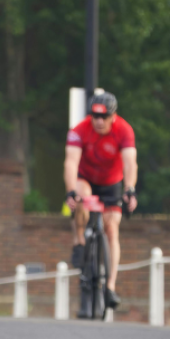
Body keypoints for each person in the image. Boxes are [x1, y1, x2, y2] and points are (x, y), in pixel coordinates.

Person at [64, 92, 138, 317]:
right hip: (86, 179)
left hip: (111, 183)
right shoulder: (79, 130)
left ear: (113, 117)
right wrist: (70, 191)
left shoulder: (124, 130)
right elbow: (70, 162)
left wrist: (130, 189)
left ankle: (110, 287)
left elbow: (130, 164)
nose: (98, 121)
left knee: (112, 228)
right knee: (81, 198)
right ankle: (79, 241)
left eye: (104, 117)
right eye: (95, 116)